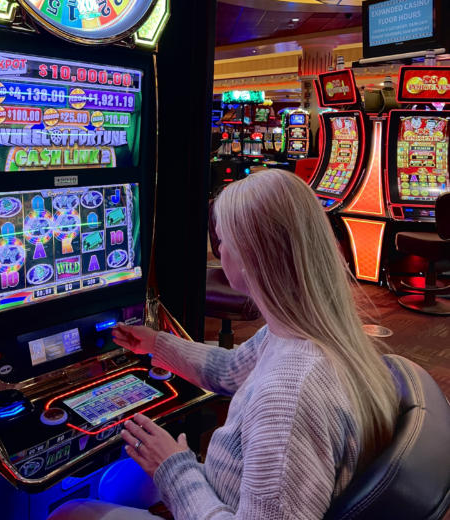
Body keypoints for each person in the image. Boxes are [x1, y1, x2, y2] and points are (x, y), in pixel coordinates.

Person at [49, 170, 399, 520]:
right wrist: (156, 343)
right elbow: (229, 370)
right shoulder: (304, 330)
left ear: (250, 257)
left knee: (69, 513)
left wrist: (174, 469)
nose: (219, 252)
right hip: (221, 493)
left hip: (219, 506)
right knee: (129, 481)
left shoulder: (287, 396)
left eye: (222, 241)